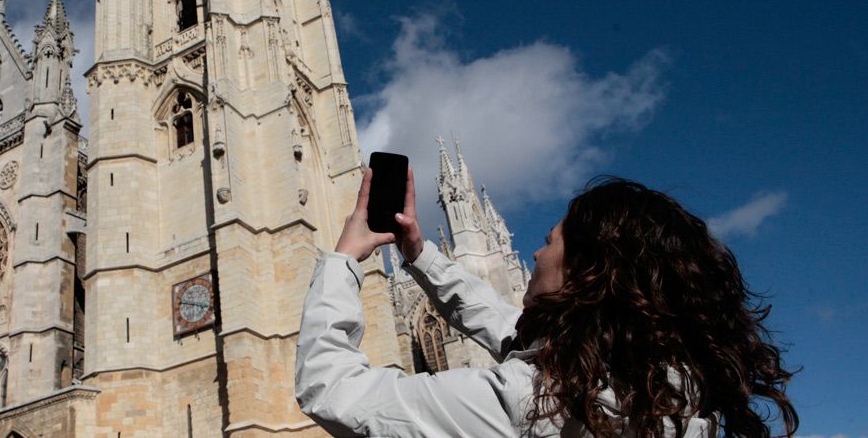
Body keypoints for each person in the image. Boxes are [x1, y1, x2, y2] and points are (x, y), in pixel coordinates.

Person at [295, 169, 797, 437]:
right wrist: (421, 256)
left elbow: (333, 391)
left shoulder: (537, 404)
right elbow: (513, 331)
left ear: (589, 273)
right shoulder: (667, 389)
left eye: (550, 241)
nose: (535, 252)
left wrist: (342, 260)